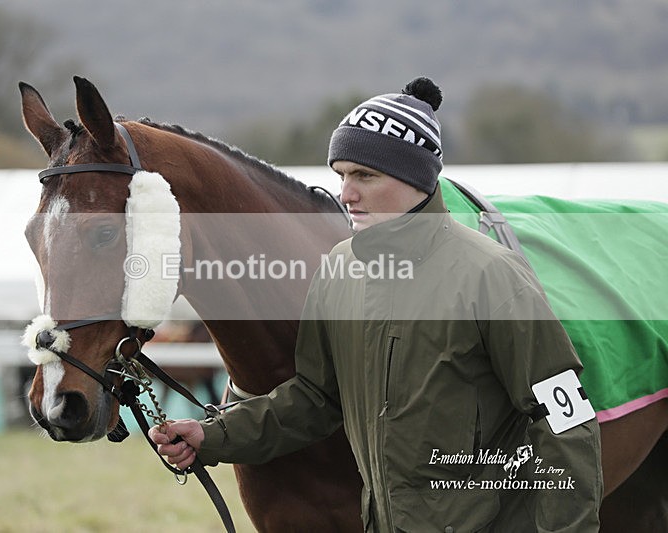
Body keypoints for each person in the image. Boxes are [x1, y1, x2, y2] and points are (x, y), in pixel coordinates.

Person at [149, 77, 603, 532]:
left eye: (365, 175)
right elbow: (314, 399)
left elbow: (566, 421)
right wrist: (213, 435)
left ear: (415, 177)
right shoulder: (338, 271)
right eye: (342, 175)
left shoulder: (492, 275)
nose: (346, 194)